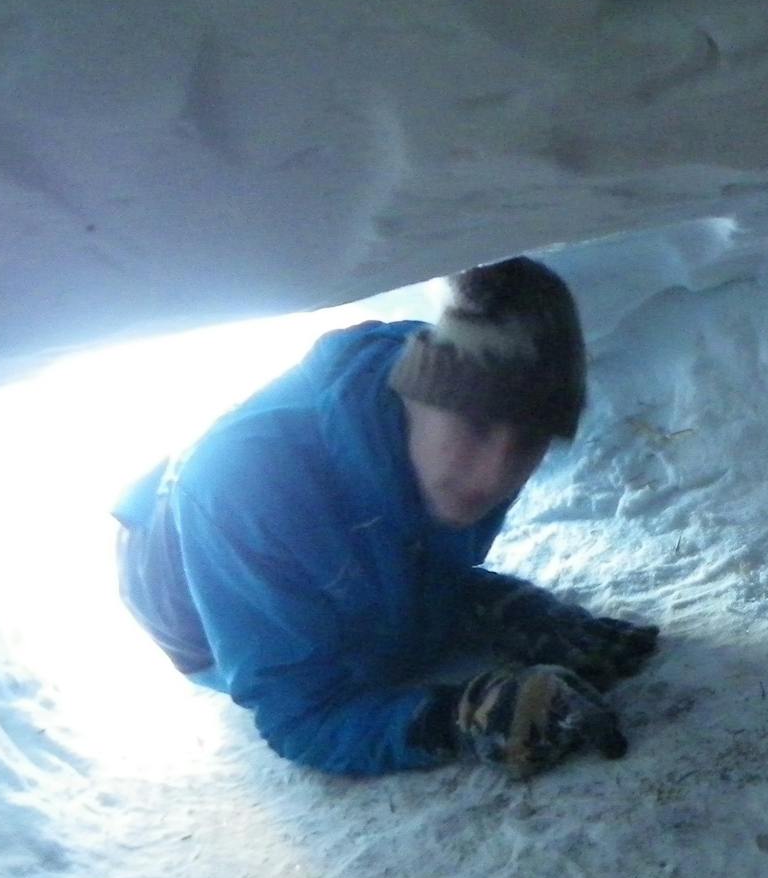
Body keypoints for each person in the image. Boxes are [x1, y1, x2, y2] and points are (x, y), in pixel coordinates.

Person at [111, 257, 657, 779]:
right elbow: (300, 714)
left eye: (531, 440)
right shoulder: (246, 487)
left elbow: (417, 551)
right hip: (180, 585)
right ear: (415, 397)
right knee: (364, 652)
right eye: (475, 426)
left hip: (283, 504)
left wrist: (498, 606)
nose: (495, 474)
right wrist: (457, 719)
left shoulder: (463, 396)